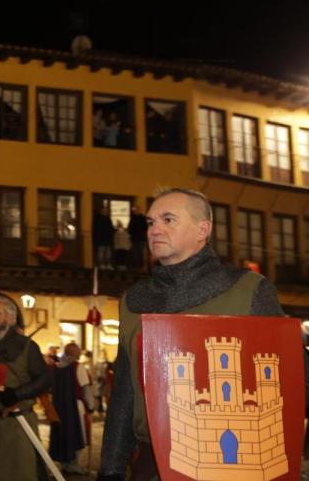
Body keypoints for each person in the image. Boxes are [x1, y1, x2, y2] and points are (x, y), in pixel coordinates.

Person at [98, 188, 285, 481]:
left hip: (231, 462)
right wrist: (111, 469)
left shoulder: (250, 290)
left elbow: (291, 377)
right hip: (151, 462)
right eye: (150, 223)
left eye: (168, 219)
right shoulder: (133, 301)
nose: (155, 229)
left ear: (203, 229)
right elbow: (125, 389)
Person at [0, 296, 50, 481]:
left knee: (20, 475)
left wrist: (17, 394)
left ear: (11, 318)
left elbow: (44, 379)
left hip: (17, 424)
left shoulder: (28, 347)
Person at [49, 342, 95, 474]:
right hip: (75, 406)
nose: (80, 353)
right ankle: (73, 464)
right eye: (78, 351)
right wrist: (91, 407)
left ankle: (64, 464)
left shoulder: (57, 368)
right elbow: (85, 389)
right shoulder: (78, 367)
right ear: (74, 353)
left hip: (59, 406)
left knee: (63, 433)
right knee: (77, 433)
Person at [127, 205, 148, 270]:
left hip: (141, 238)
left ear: (139, 210)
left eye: (136, 210)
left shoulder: (143, 218)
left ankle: (141, 266)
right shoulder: (132, 218)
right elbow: (130, 228)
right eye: (134, 210)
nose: (135, 211)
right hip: (134, 238)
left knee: (141, 252)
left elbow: (146, 227)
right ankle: (135, 266)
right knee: (135, 252)